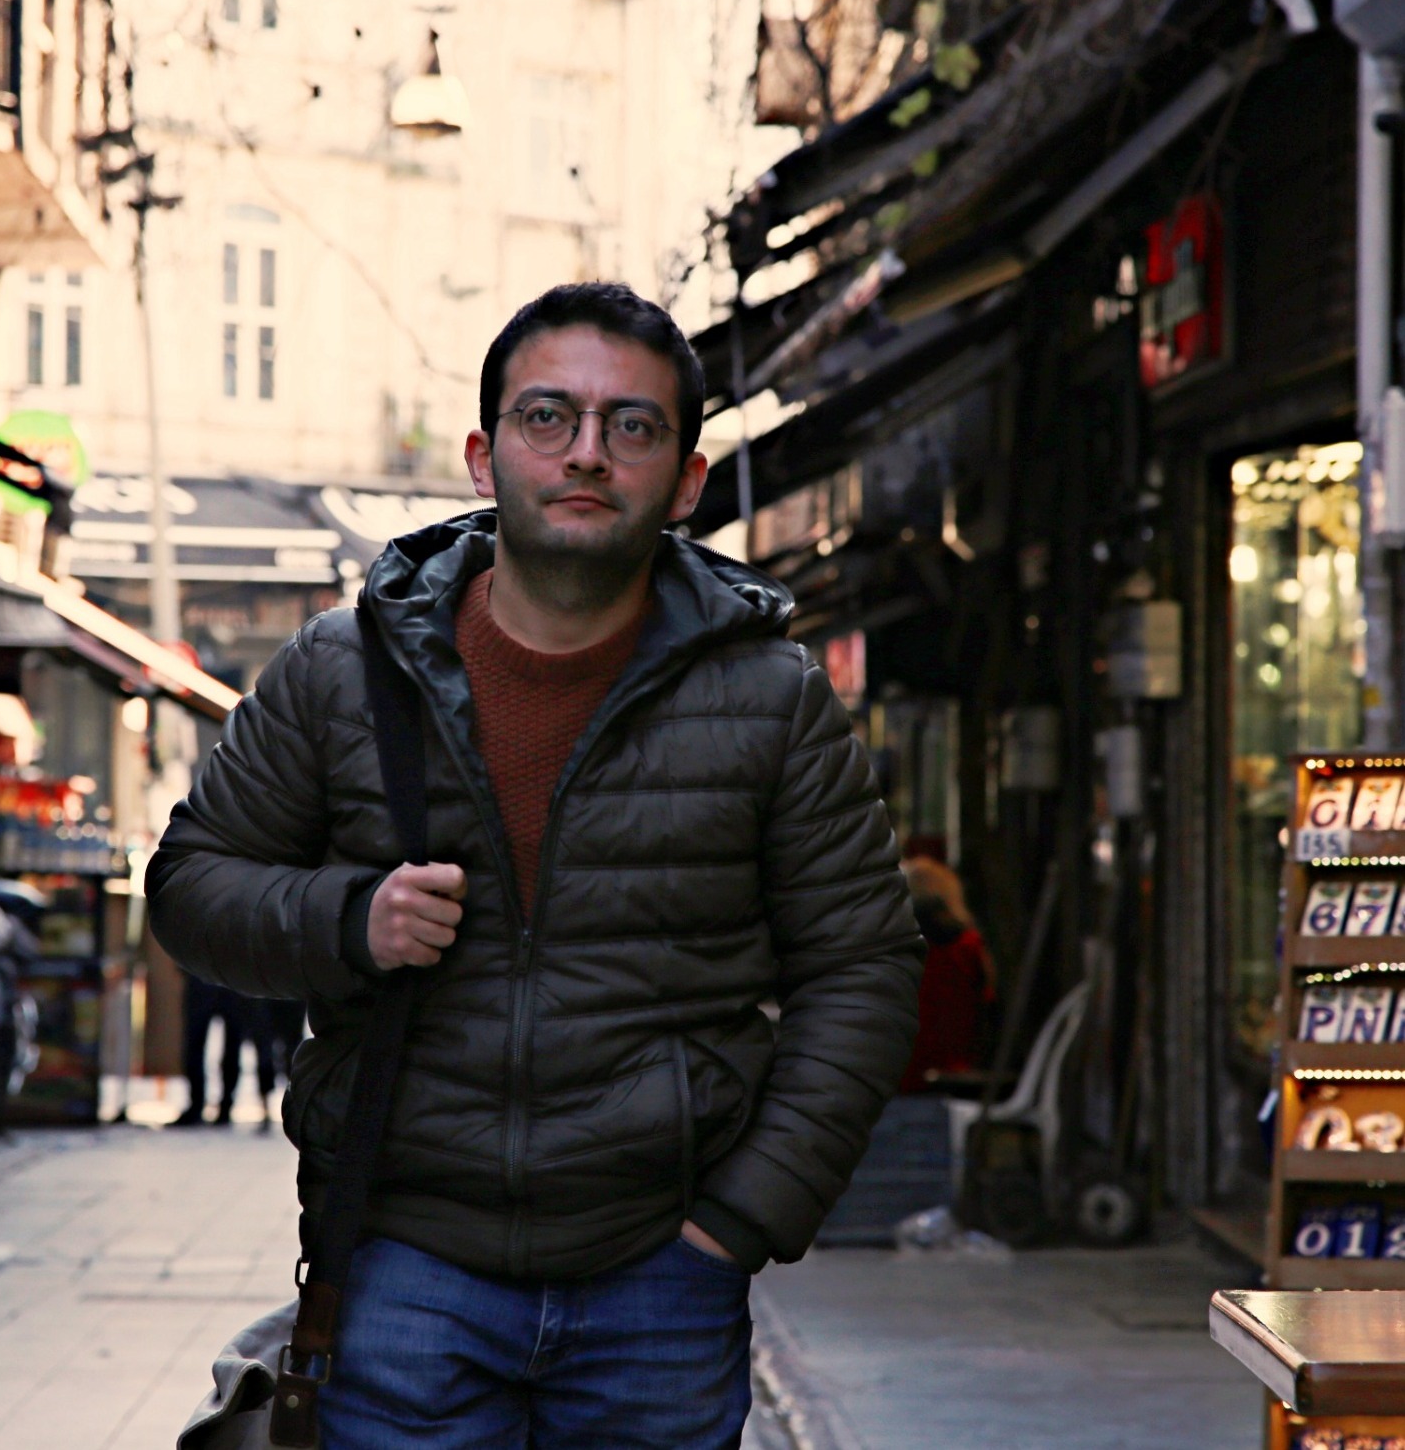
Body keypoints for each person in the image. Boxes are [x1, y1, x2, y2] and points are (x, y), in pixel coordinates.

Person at [147, 282, 923, 1448]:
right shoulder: (342, 671)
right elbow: (190, 883)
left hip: (660, 1272)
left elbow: (862, 964)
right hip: (405, 1261)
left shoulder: (768, 698)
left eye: (631, 425)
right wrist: (349, 916)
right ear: (483, 455)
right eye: (547, 416)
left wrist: (740, 1218)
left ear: (685, 480)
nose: (586, 452)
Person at [899, 854, 996, 1091]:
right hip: (955, 1076)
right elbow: (987, 1009)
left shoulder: (890, 949)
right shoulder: (970, 947)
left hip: (900, 1078)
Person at [171, 974, 244, 1128]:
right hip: (222, 979)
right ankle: (205, 1105)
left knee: (228, 1044)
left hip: (224, 980)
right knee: (198, 1044)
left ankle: (218, 1106)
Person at [239, 996, 306, 1133]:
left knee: (283, 1053)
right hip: (287, 994)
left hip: (272, 993)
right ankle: (292, 1109)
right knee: (282, 1053)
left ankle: (286, 1109)